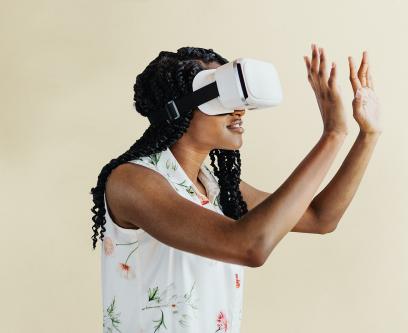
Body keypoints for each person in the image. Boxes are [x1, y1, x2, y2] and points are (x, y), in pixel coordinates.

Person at [90, 44, 382, 332]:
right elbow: (249, 246)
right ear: (178, 107)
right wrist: (333, 134)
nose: (240, 110)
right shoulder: (132, 181)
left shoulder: (216, 188)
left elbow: (321, 217)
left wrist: (367, 136)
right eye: (222, 97)